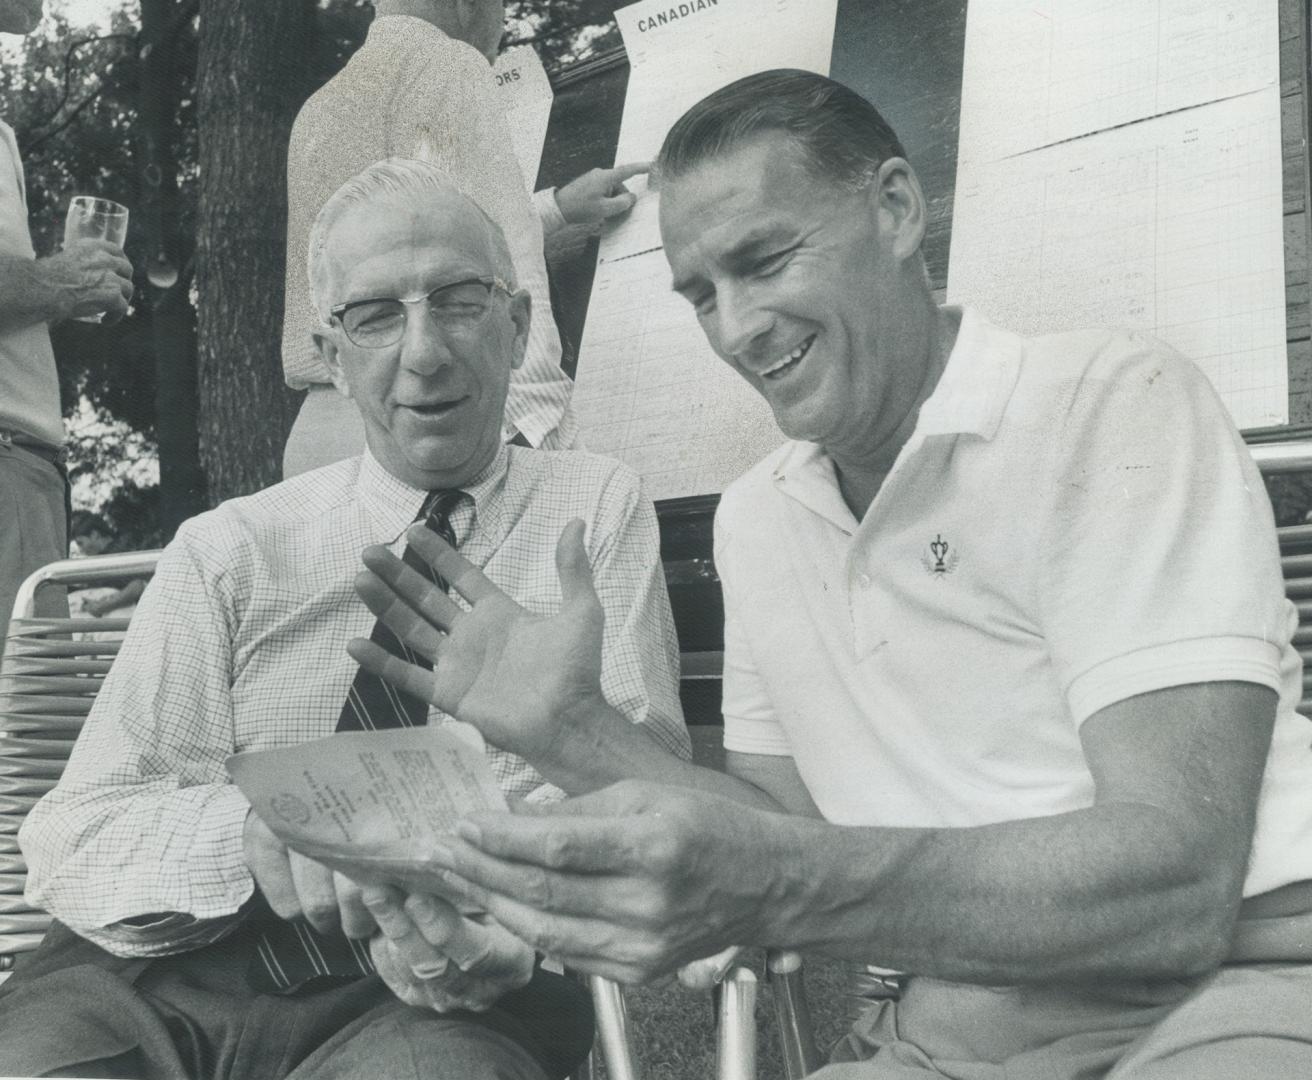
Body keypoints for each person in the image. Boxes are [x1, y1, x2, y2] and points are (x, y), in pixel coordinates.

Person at [345, 71, 1312, 1078]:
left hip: (1230, 996)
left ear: (895, 207)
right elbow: (776, 836)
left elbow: (1175, 891)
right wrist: (571, 733)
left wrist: (780, 880)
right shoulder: (758, 516)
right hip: (945, 1030)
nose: (736, 328)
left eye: (763, 261)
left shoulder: (1109, 403)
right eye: (701, 295)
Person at [0, 158, 688, 1080]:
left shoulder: (591, 507)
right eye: (374, 316)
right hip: (154, 977)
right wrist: (259, 829)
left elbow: (644, 788)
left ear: (517, 325)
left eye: (458, 300)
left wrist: (478, 894)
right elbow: (71, 832)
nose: (424, 352)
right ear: (331, 357)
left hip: (442, 986)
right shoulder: (232, 547)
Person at [282, 0, 647, 476]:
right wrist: (551, 442)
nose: (502, 25)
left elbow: (400, 247)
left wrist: (558, 208)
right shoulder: (449, 65)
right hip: (426, 433)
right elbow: (495, 285)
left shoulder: (322, 105)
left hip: (326, 435)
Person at [0, 0, 134, 628]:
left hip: (28, 468)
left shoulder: (2, 136)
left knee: (22, 714)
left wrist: (61, 291)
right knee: (16, 718)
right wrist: (56, 281)